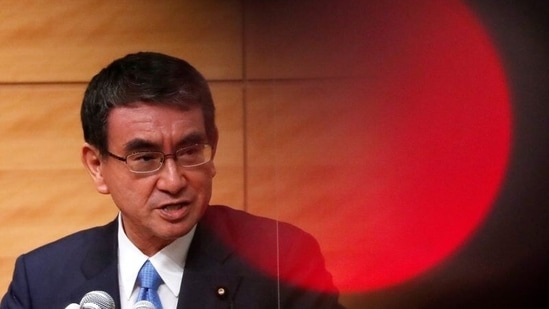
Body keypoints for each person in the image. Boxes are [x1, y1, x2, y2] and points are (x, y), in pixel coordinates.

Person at [0, 52, 344, 309]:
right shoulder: (41, 281)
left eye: (190, 150)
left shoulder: (282, 262)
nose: (173, 180)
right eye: (145, 158)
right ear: (96, 166)